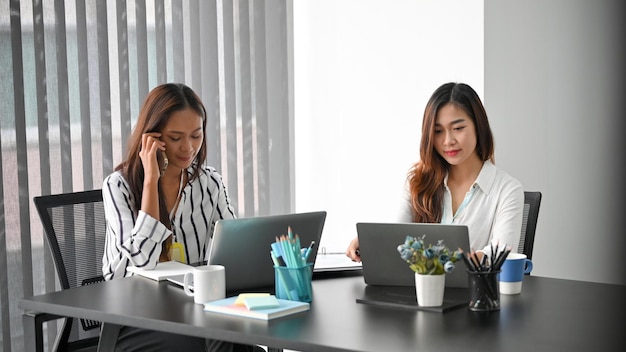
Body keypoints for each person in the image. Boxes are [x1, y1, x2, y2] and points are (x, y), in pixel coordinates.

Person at [102, 83, 260, 352]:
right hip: (135, 320)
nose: (188, 148)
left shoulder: (209, 184)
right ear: (151, 138)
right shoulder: (119, 186)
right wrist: (151, 180)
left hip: (195, 310)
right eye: (176, 138)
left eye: (196, 135)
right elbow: (138, 262)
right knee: (209, 343)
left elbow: (236, 249)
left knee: (242, 343)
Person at [346, 82, 524, 261]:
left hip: (475, 288)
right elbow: (397, 234)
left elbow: (501, 255)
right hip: (419, 288)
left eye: (458, 128)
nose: (448, 141)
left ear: (478, 126)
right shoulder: (418, 181)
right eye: (438, 131)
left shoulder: (507, 190)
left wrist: (462, 261)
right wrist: (370, 242)